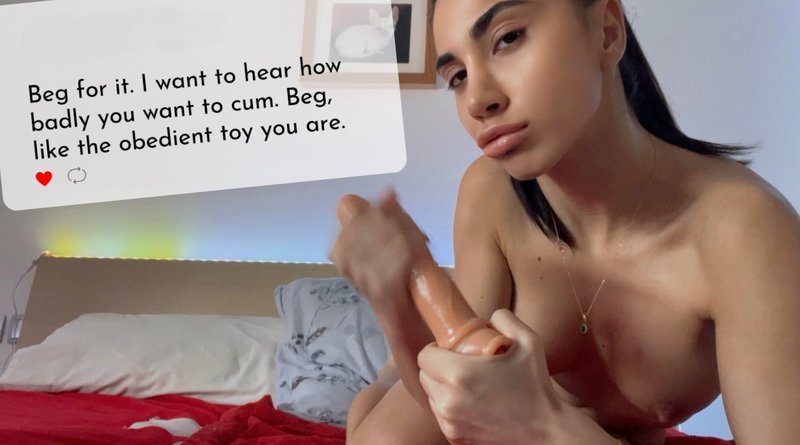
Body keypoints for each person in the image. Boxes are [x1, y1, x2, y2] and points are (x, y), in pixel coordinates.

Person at [328, 0, 800, 444]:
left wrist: (540, 421)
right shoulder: (491, 191)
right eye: (458, 76)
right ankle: (385, 378)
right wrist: (394, 303)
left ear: (607, 31)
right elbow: (451, 394)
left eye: (508, 38)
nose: (477, 100)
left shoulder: (746, 231)